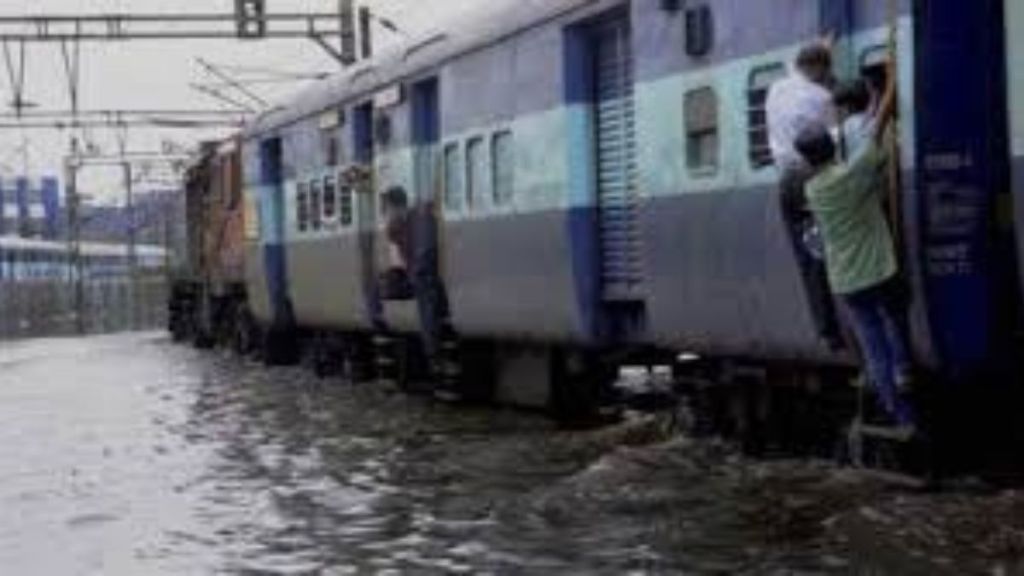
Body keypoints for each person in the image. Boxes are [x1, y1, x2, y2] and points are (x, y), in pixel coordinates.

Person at [795, 66, 915, 429]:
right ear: (834, 148)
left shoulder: (813, 190)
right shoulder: (851, 175)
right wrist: (890, 87)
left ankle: (897, 412)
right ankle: (905, 371)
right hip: (878, 268)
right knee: (895, 314)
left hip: (846, 280)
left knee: (872, 344)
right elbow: (876, 132)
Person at [766, 41, 844, 350]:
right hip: (815, 177)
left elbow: (798, 69)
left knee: (808, 259)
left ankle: (826, 330)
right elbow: (835, 137)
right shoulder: (824, 98)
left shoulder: (775, 90)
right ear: (820, 70)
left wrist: (821, 50)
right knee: (837, 248)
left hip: (787, 183)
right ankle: (848, 320)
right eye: (827, 72)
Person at [833, 79, 876, 161]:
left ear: (846, 107)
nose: (837, 112)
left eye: (838, 108)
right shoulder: (876, 121)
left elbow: (838, 159)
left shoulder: (844, 128)